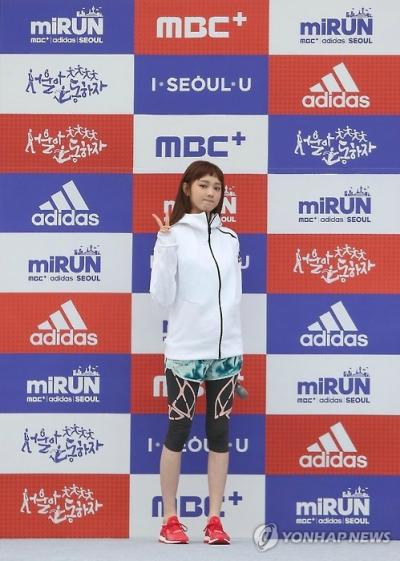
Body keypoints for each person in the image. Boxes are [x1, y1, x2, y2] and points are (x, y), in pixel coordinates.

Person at [150, 160, 243, 545]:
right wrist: (166, 244)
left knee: (219, 434)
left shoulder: (230, 238)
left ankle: (214, 519)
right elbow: (162, 297)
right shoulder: (172, 235)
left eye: (217, 187)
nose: (211, 193)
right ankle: (169, 519)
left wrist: (234, 345)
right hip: (185, 352)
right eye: (204, 185)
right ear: (187, 188)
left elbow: (232, 298)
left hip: (227, 354)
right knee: (178, 430)